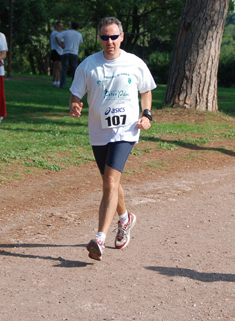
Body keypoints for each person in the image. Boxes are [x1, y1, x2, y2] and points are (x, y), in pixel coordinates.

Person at [69, 17, 156, 261]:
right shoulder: (89, 65)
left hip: (126, 131)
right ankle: (125, 218)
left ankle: (100, 238)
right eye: (105, 37)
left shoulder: (134, 63)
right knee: (112, 184)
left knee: (109, 182)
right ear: (100, 39)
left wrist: (147, 115)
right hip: (99, 132)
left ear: (122, 37)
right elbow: (76, 94)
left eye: (114, 37)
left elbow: (146, 90)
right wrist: (75, 105)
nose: (110, 42)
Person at [59, 21, 83, 89]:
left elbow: (57, 37)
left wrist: (61, 45)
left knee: (64, 69)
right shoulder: (79, 34)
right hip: (74, 53)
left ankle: (62, 85)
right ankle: (74, 85)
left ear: (71, 26)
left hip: (66, 52)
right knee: (74, 70)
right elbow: (81, 42)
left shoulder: (66, 32)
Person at [50, 21, 65, 87]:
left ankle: (54, 81)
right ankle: (57, 81)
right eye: (59, 26)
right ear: (56, 26)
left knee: (56, 67)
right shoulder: (56, 33)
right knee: (58, 67)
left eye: (61, 26)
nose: (61, 28)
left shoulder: (55, 33)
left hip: (56, 51)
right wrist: (61, 45)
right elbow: (57, 39)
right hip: (57, 51)